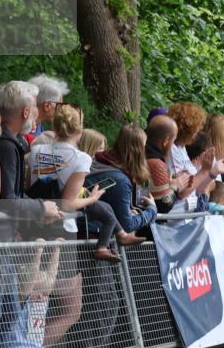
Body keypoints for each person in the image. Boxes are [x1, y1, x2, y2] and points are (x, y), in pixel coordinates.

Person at [28, 104, 144, 263]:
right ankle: (113, 240)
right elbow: (68, 203)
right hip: (63, 226)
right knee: (61, 277)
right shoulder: (82, 158)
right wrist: (92, 198)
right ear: (80, 130)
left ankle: (117, 238)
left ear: (54, 127)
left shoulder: (36, 150)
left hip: (36, 217)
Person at [0, 80, 62, 223]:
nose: (36, 112)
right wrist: (41, 207)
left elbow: (15, 195)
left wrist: (40, 211)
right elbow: (8, 200)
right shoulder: (6, 146)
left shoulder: (7, 140)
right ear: (25, 112)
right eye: (35, 107)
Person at [84, 125, 158, 237]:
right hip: (94, 235)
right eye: (144, 147)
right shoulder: (120, 180)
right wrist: (151, 210)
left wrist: (128, 211)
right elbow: (127, 225)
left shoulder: (97, 161)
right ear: (138, 151)